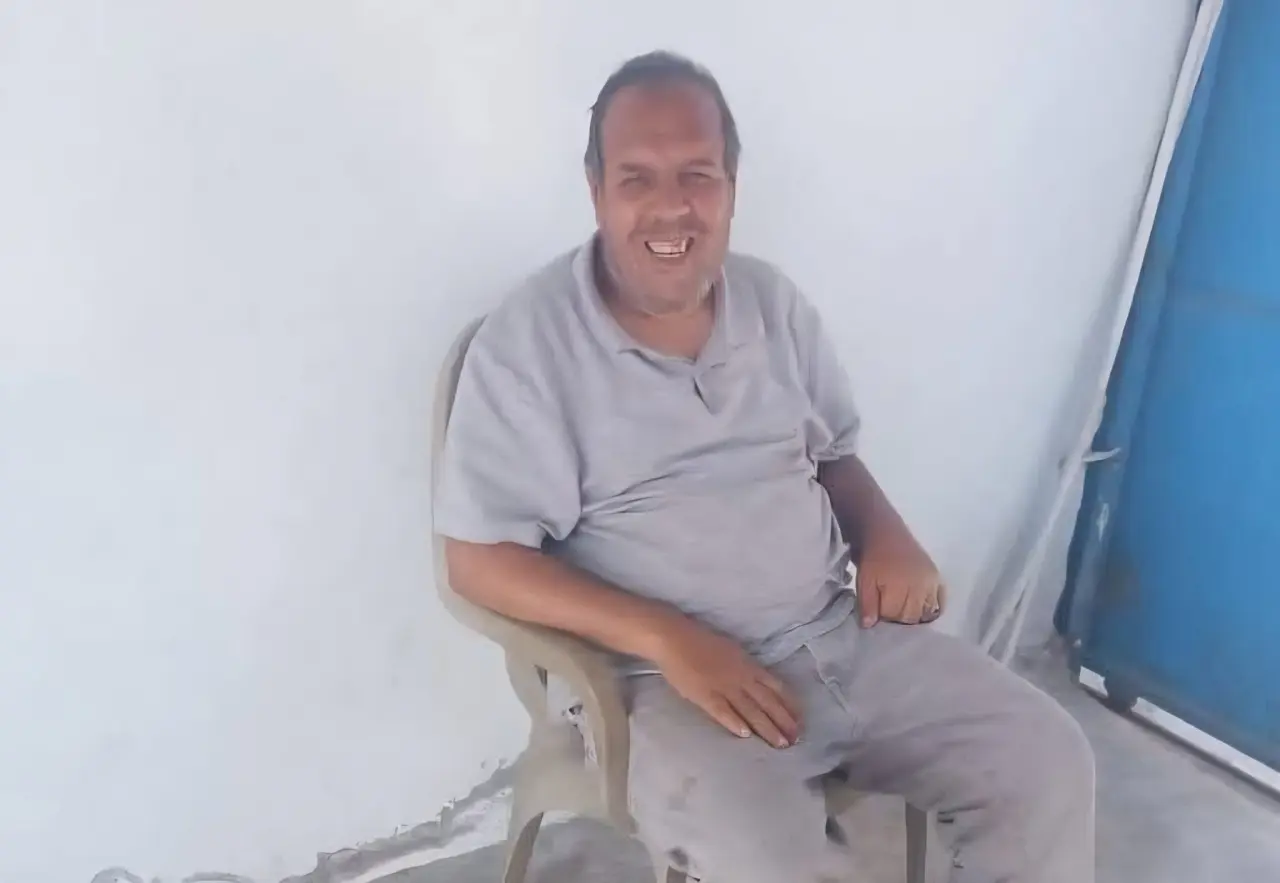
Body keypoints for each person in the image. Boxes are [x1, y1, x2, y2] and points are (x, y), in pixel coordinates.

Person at [435, 50, 1094, 883]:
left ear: (732, 186)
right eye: (637, 177)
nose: (670, 205)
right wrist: (670, 637)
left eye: (697, 174)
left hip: (839, 633)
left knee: (1045, 762)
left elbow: (833, 456)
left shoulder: (771, 304)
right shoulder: (529, 345)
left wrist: (885, 535)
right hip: (669, 689)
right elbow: (479, 560)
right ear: (596, 189)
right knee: (775, 864)